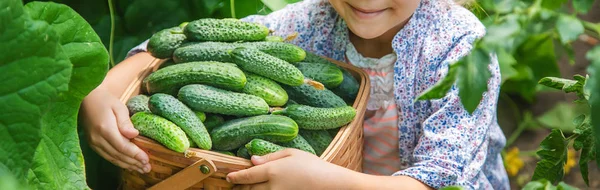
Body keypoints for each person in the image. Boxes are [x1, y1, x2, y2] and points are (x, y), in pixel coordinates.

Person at [80, 0, 509, 189]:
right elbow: (175, 50)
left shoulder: (461, 50)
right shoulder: (313, 20)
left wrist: (323, 183)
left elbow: (442, 183)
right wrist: (100, 93)